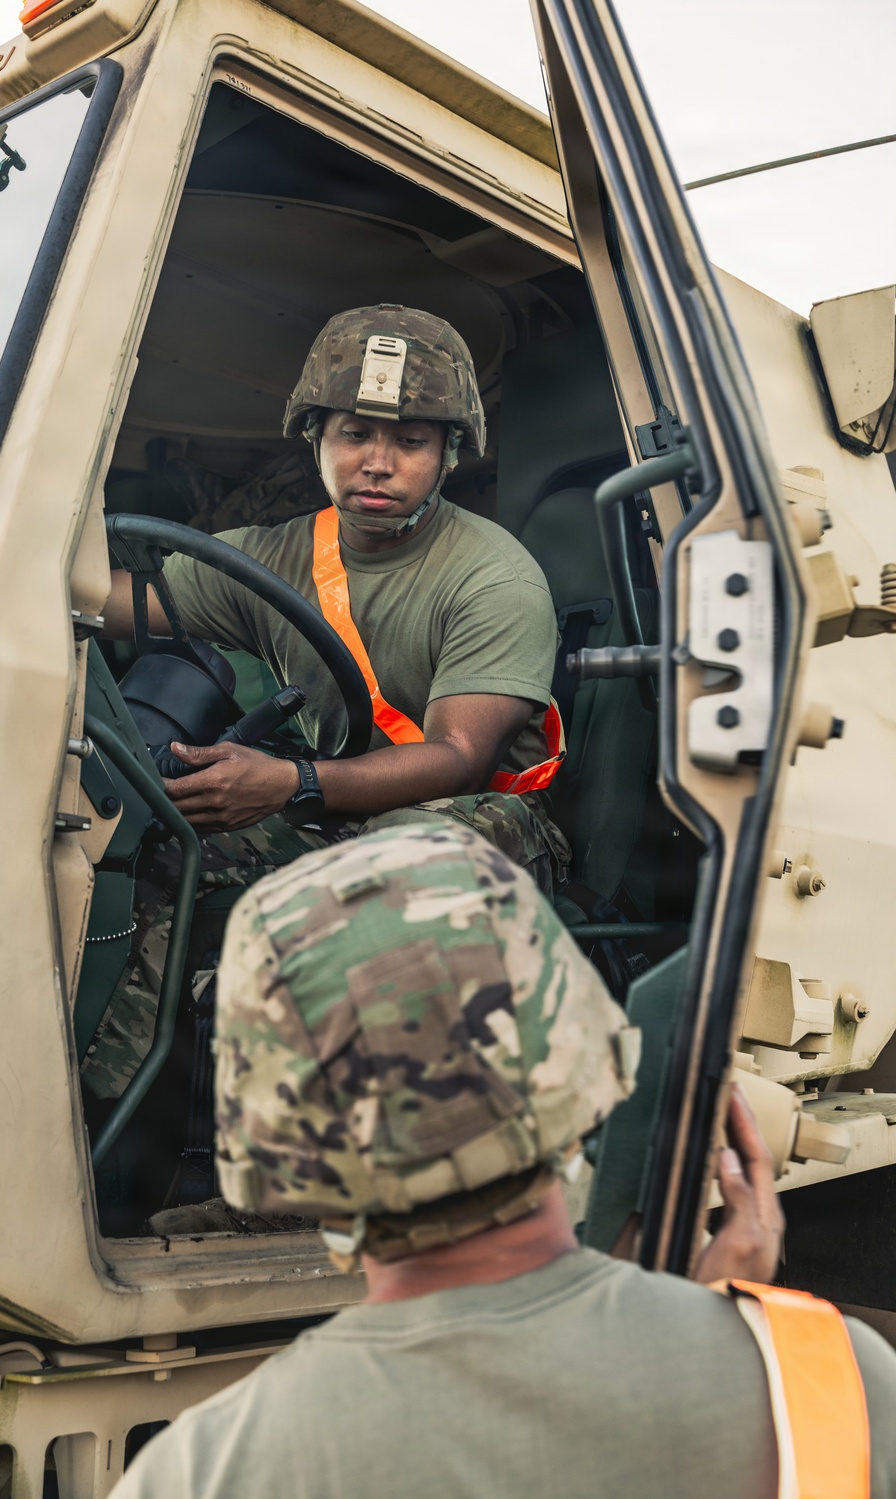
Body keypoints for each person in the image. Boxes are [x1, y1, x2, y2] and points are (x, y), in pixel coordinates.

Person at [111, 822, 896, 1499]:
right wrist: (720, 1338)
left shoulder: (199, 1469)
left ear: (275, 1130)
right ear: (576, 1040)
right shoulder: (827, 1382)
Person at [87, 305, 569, 1103]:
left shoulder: (496, 577)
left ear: (448, 455)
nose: (376, 463)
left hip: (478, 821)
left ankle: (334, 1191)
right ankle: (108, 1120)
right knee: (160, 844)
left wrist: (291, 784)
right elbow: (117, 603)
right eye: (354, 435)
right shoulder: (277, 557)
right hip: (334, 805)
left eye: (410, 441)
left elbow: (459, 757)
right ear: (316, 439)